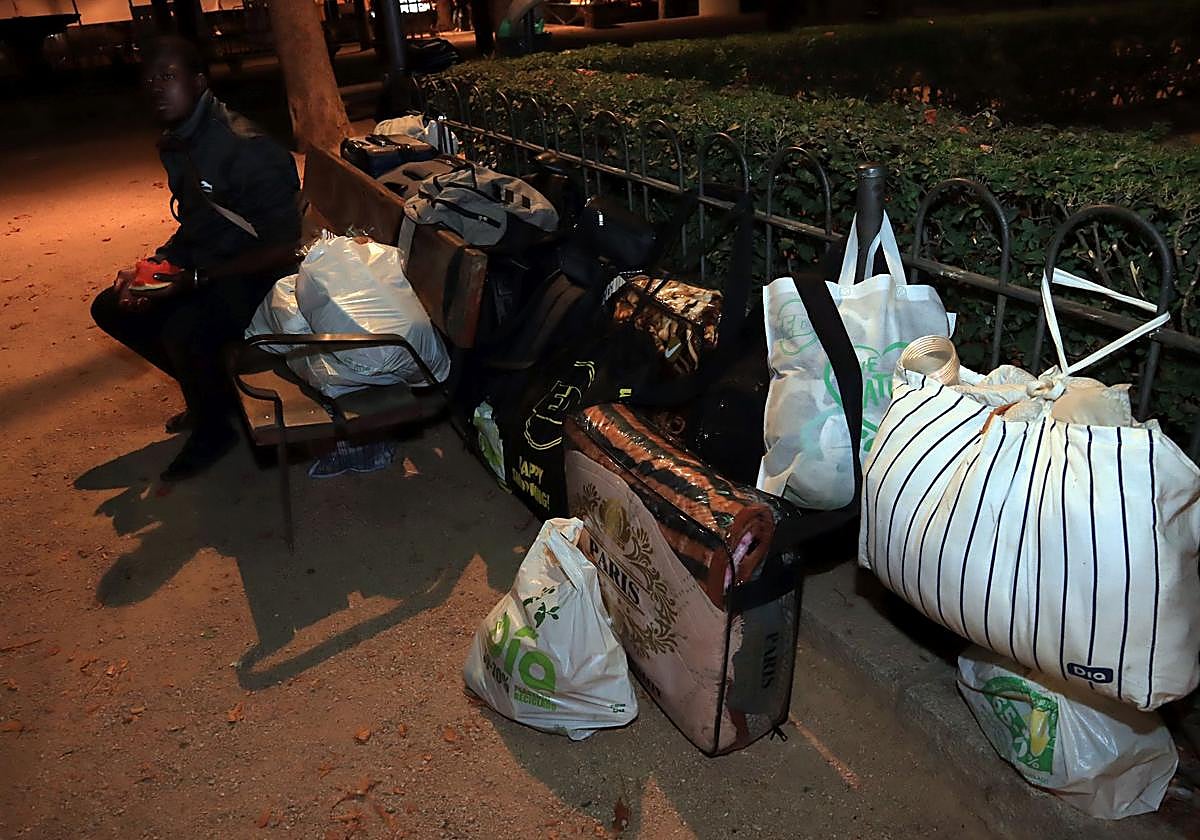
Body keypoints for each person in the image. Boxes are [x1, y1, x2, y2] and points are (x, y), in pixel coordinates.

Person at [91, 37, 302, 482]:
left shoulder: (243, 146)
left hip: (266, 275)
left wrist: (196, 278)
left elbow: (284, 247)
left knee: (182, 325)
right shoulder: (184, 139)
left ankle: (214, 429)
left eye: (168, 77)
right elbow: (199, 223)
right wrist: (154, 264)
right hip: (218, 265)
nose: (155, 88)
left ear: (199, 81)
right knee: (113, 305)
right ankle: (213, 399)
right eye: (148, 79)